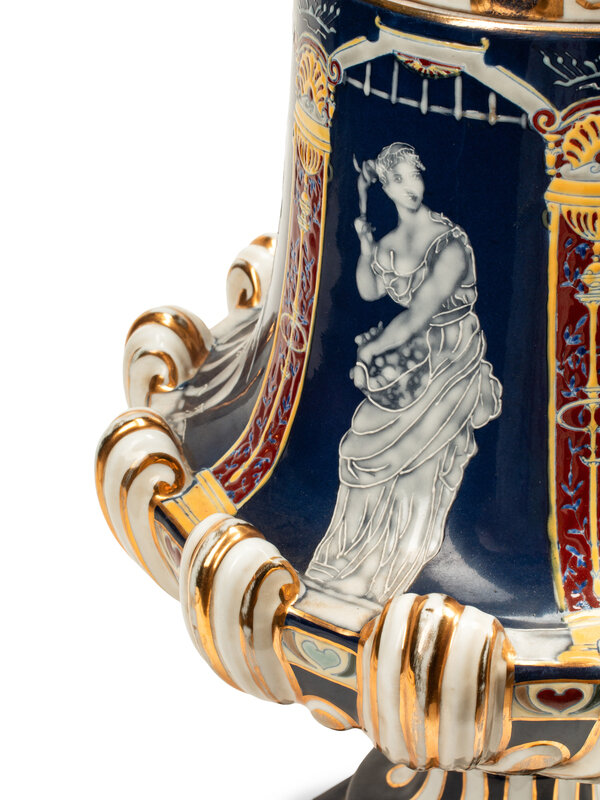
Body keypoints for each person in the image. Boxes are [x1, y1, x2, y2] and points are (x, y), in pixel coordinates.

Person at [304, 142, 502, 606]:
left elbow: (418, 315)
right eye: (397, 180)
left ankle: (392, 566)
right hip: (411, 358)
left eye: (414, 175)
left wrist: (371, 349)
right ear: (385, 187)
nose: (409, 186)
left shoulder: (450, 243)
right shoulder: (391, 243)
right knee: (363, 443)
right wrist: (365, 244)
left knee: (418, 465)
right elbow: (370, 290)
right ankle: (350, 561)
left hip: (449, 357)